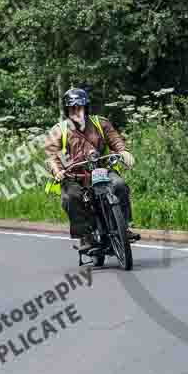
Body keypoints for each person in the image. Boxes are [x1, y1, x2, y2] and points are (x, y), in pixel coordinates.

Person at [44, 88, 138, 251]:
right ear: (67, 110)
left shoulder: (100, 123)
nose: (76, 111)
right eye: (72, 108)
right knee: (72, 197)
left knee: (120, 185)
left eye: (79, 107)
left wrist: (123, 152)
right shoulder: (59, 130)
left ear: (85, 108)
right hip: (74, 175)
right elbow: (52, 154)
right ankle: (85, 236)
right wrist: (57, 170)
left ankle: (124, 227)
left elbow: (115, 139)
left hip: (100, 169)